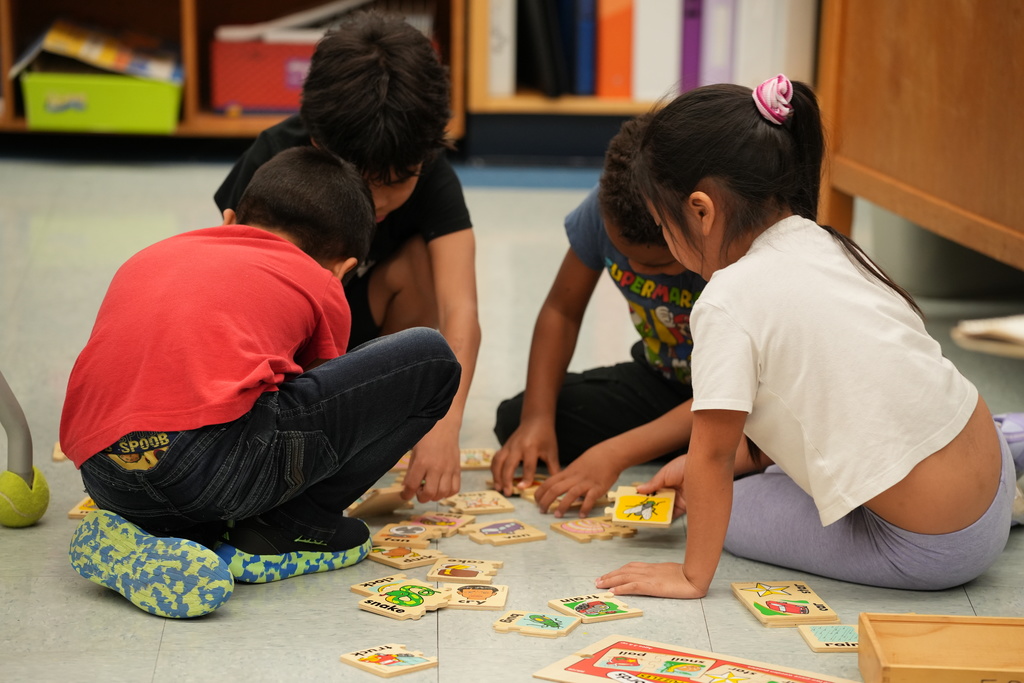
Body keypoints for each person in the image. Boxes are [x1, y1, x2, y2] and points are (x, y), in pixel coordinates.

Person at [596, 75, 1024, 599]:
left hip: (938, 547)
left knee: (740, 511)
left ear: (701, 211)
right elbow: (830, 403)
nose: (666, 239)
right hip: (989, 469)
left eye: (664, 227)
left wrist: (691, 575)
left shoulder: (725, 301)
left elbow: (713, 455)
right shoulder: (823, 240)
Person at [60, 147, 462, 619]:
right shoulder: (321, 280)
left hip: (106, 476)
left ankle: (148, 534)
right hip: (209, 470)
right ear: (343, 268)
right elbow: (324, 401)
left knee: (208, 440)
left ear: (230, 219)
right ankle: (288, 527)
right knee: (432, 357)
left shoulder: (152, 254)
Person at [215, 10, 479, 505]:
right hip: (286, 347)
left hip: (363, 341)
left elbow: (461, 307)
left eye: (397, 181)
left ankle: (394, 408)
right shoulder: (276, 158)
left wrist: (444, 425)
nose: (377, 202)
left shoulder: (427, 167)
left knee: (421, 259)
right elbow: (227, 292)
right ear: (318, 144)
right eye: (361, 182)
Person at [491, 115, 750, 518]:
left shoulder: (731, 246)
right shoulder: (602, 208)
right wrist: (536, 419)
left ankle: (707, 455)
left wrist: (615, 454)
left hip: (736, 400)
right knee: (517, 419)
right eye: (623, 255)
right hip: (661, 383)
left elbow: (740, 391)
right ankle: (689, 451)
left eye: (660, 264)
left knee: (769, 449)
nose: (636, 269)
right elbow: (561, 311)